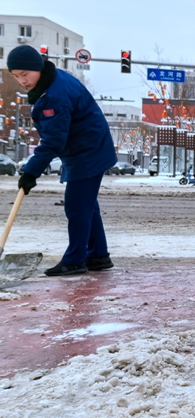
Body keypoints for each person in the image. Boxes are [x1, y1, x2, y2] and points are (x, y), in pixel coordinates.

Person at [9, 45, 117, 276]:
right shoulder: (52, 81)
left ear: (37, 68)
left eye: (25, 74)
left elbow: (53, 141)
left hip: (87, 151)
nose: (22, 81)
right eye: (16, 76)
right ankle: (98, 255)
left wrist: (31, 172)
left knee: (77, 206)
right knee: (86, 206)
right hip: (86, 146)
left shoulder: (55, 96)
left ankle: (75, 260)